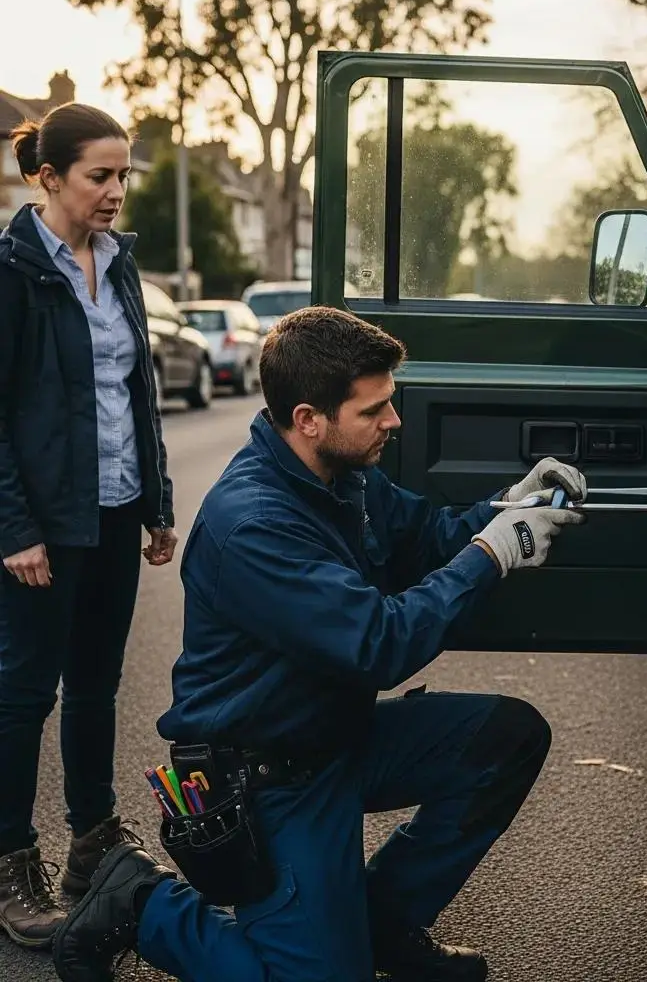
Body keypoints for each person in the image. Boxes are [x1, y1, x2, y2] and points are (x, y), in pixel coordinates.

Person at [52, 305, 586, 982]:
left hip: (338, 736)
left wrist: (509, 506)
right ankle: (141, 901)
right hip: (269, 778)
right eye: (374, 411)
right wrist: (491, 554)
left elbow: (424, 538)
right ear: (308, 418)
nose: (392, 422)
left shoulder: (341, 476)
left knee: (504, 738)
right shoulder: (253, 525)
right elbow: (378, 645)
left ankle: (382, 925)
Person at [0, 103, 177, 949]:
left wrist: (157, 503)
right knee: (24, 692)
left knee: (97, 685)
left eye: (124, 175)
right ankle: (9, 859)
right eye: (99, 176)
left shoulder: (123, 263)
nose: (116, 192)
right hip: (41, 525)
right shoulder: (11, 272)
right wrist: (14, 527)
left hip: (114, 510)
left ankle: (93, 843)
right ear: (50, 178)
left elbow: (138, 391)